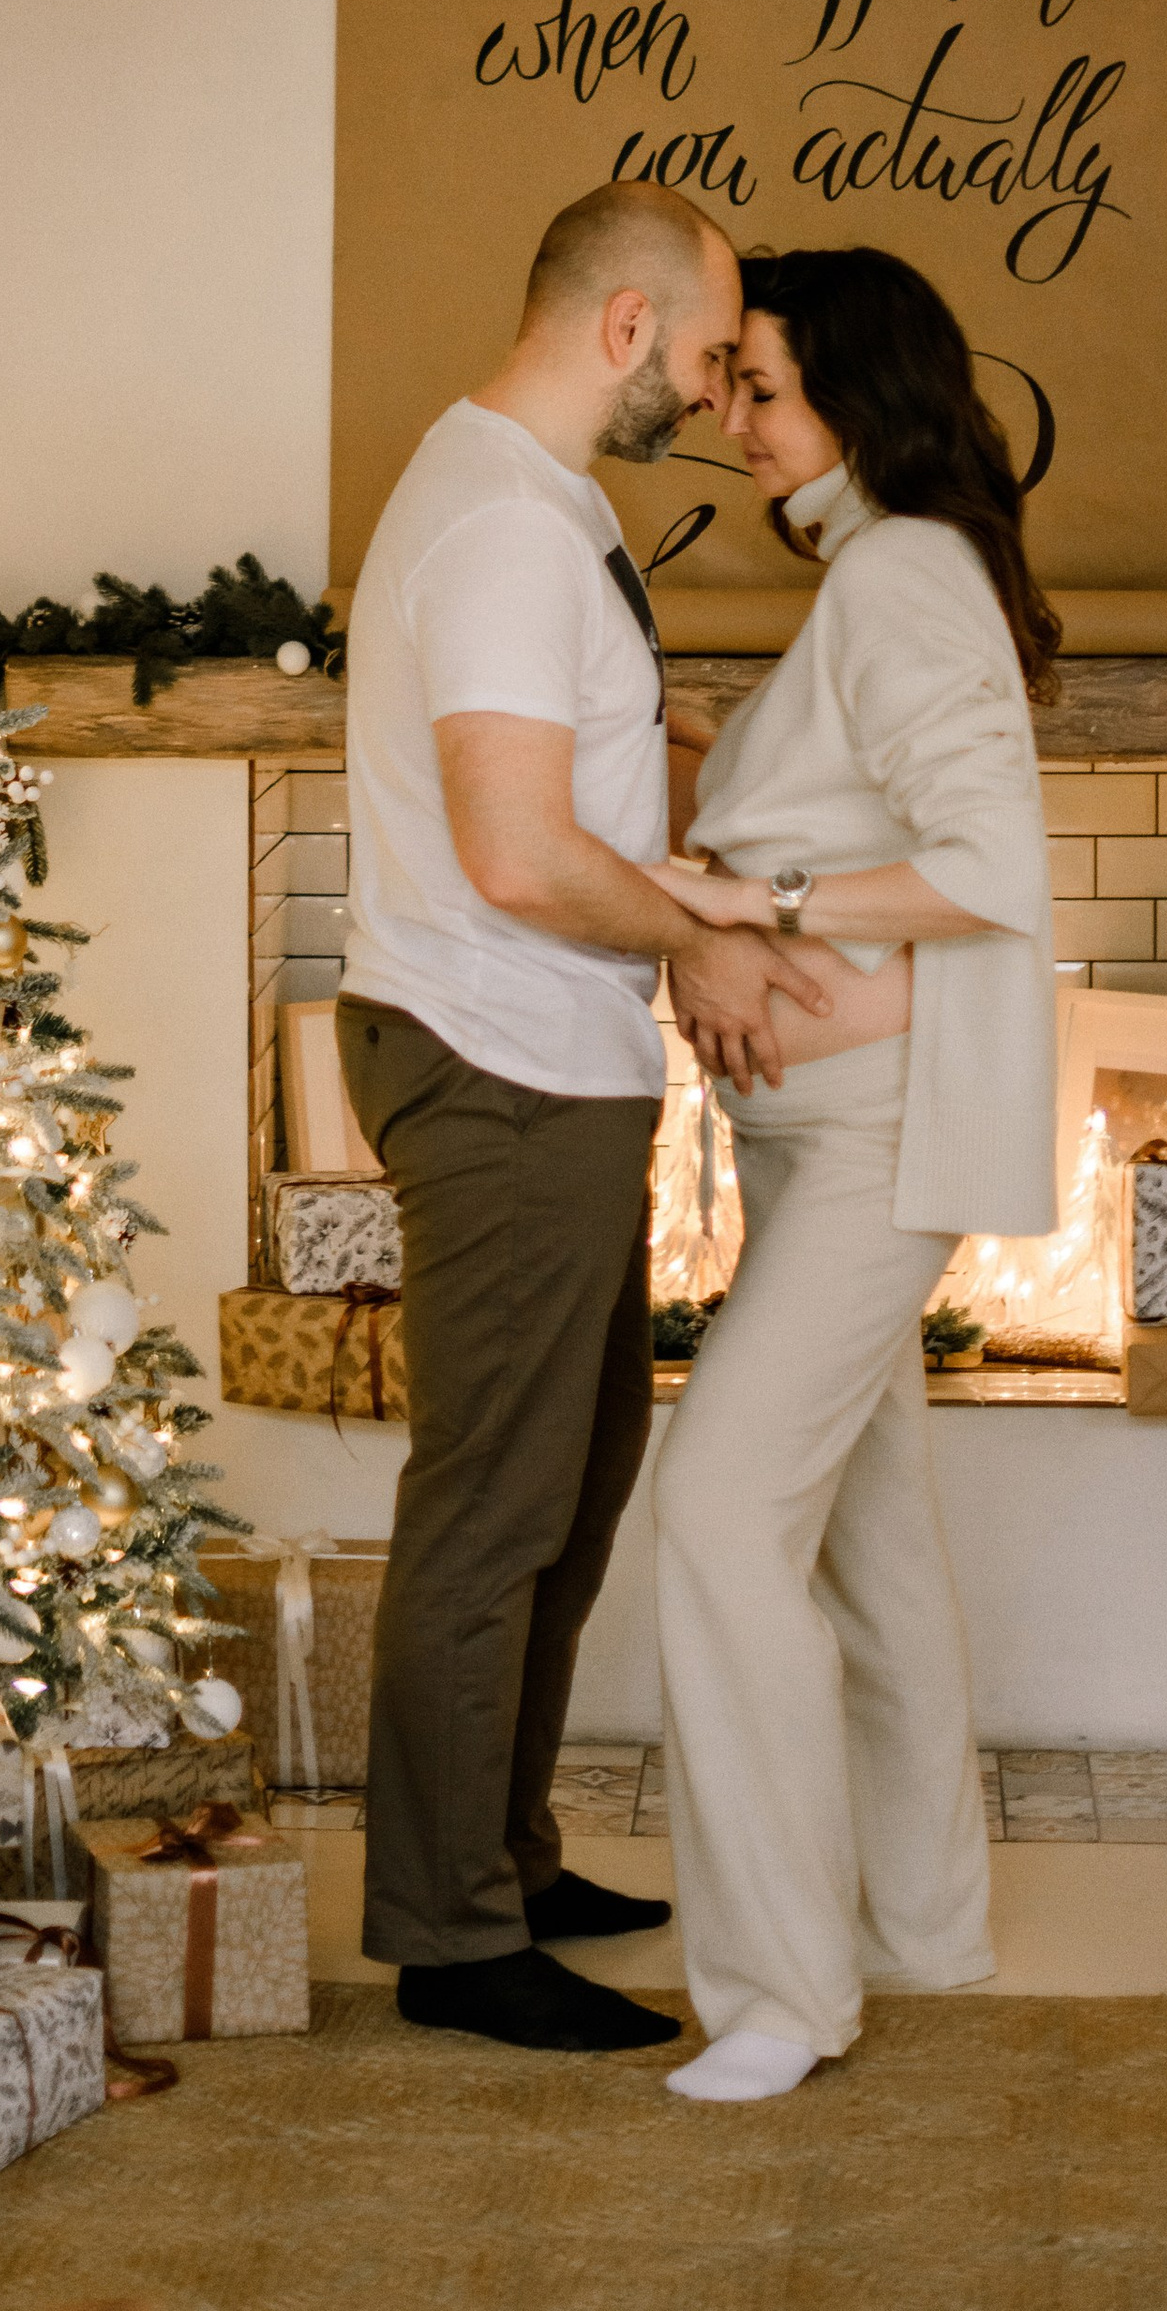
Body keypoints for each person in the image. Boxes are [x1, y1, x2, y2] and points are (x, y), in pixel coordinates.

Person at [339, 180, 837, 2055]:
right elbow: (518, 852)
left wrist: (715, 768)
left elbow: (574, 779)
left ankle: (511, 1856)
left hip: (547, 1057)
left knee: (574, 1483)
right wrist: (700, 932)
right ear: (624, 326)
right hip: (498, 1057)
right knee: (492, 1509)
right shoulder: (499, 527)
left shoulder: (532, 510)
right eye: (709, 355)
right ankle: (452, 1937)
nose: (718, 396)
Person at [642, 245, 1061, 2105]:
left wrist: (752, 896)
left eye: (765, 390)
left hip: (876, 1136)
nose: (731, 421)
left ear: (862, 398)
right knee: (871, 1546)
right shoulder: (883, 575)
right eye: (728, 387)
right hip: (823, 1136)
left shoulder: (900, 569)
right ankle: (923, 1925)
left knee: (721, 1515)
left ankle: (781, 1993)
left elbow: (992, 869)